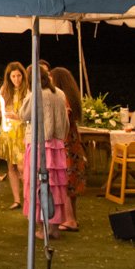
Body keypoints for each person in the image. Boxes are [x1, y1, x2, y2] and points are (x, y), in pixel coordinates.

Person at [21, 63, 75, 236]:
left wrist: (29, 94)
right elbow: (65, 122)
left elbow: (24, 115)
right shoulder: (59, 93)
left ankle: (41, 227)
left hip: (39, 143)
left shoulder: (36, 94)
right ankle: (52, 226)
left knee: (37, 183)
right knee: (55, 186)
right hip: (57, 145)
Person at [50, 66, 84, 230]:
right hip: (72, 142)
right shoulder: (72, 96)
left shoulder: (63, 99)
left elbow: (63, 121)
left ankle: (69, 219)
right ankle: (72, 217)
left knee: (64, 180)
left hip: (65, 143)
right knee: (71, 182)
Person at [0, 62, 29, 210]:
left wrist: (18, 117)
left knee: (23, 167)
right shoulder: (6, 91)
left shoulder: (28, 91)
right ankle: (17, 199)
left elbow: (29, 114)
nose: (16, 79)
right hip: (9, 133)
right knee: (11, 167)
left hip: (22, 132)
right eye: (13, 76)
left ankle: (28, 197)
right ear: (8, 77)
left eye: (19, 75)